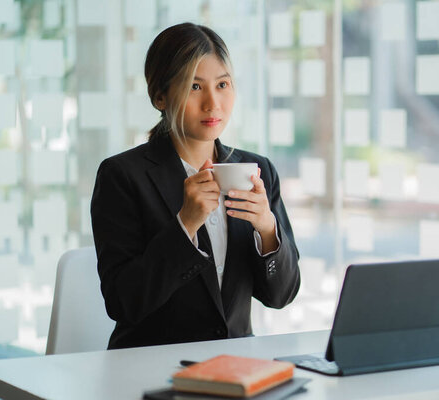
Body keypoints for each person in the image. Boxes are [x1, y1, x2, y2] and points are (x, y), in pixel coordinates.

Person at [90, 23, 301, 350]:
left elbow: (282, 295)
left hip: (235, 368)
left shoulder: (257, 172)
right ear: (160, 96)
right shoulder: (122, 176)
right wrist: (185, 224)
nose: (213, 103)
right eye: (194, 87)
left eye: (222, 84)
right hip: (149, 370)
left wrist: (268, 230)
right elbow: (123, 303)